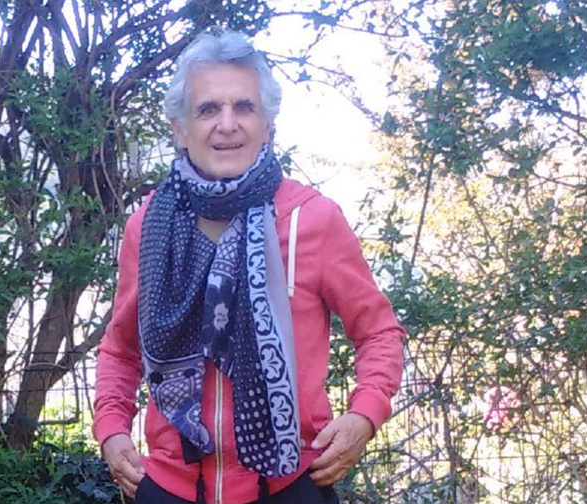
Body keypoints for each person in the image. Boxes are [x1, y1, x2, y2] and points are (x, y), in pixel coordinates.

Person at [93, 27, 405, 504]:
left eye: (244, 107)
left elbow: (378, 331)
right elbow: (120, 348)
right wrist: (112, 429)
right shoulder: (147, 228)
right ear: (180, 127)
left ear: (267, 123)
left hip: (292, 484)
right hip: (171, 488)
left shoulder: (312, 219)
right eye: (208, 109)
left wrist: (364, 414)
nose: (227, 124)